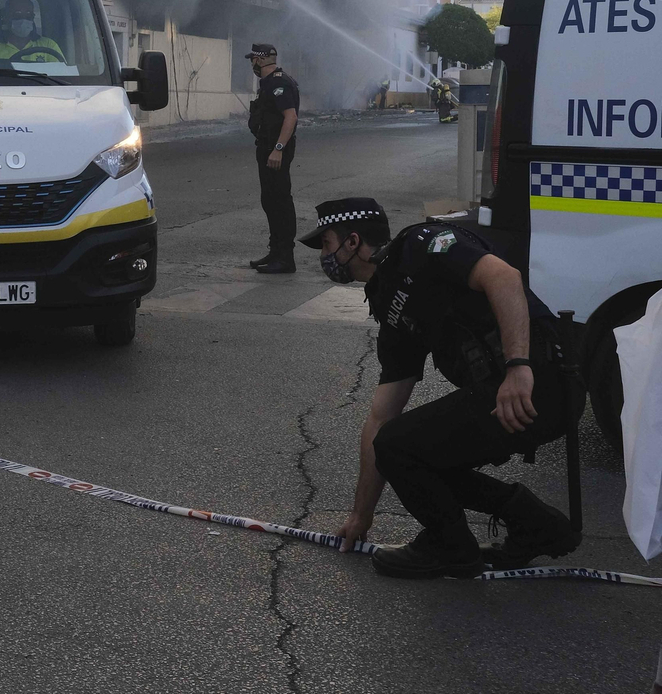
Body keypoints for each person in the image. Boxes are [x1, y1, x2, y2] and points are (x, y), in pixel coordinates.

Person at [304, 197, 583, 579]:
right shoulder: (391, 306)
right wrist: (360, 517)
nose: (324, 255)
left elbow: (503, 277)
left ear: (352, 242)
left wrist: (519, 367)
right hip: (505, 395)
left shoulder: (423, 244)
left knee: (399, 445)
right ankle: (536, 524)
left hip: (539, 382)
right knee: (401, 447)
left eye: (325, 243)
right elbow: (380, 417)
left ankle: (449, 547)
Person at [245, 43, 300, 274]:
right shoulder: (268, 83)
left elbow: (291, 117)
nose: (251, 64)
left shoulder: (279, 82)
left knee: (280, 202)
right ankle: (275, 251)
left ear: (259, 60)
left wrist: (278, 148)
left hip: (276, 151)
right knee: (269, 200)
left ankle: (286, 258)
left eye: (253, 60)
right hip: (267, 148)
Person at [0, 0, 66, 63]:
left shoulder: (49, 46)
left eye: (28, 16)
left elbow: (61, 76)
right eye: (17, 15)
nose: (24, 20)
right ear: (6, 18)